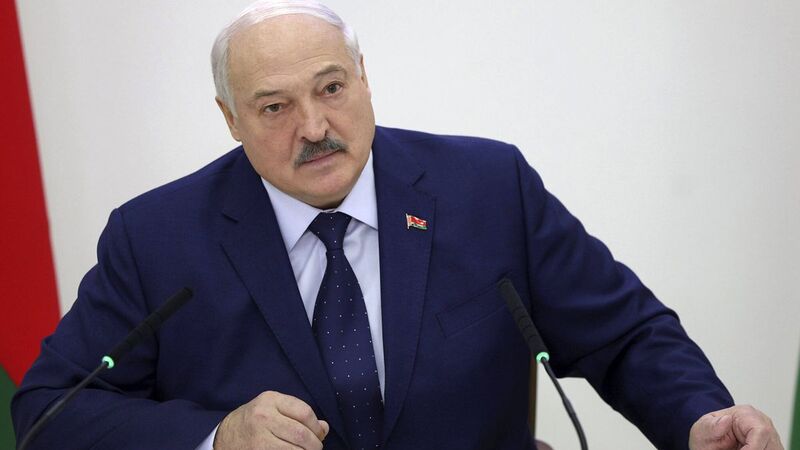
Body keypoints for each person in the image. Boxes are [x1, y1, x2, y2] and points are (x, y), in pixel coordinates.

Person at [12, 1, 784, 449]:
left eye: (331, 88)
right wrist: (219, 438)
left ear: (364, 79)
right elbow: (48, 411)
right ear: (230, 119)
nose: (315, 127)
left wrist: (698, 417)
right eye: (275, 107)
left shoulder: (487, 189)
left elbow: (624, 334)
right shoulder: (157, 238)